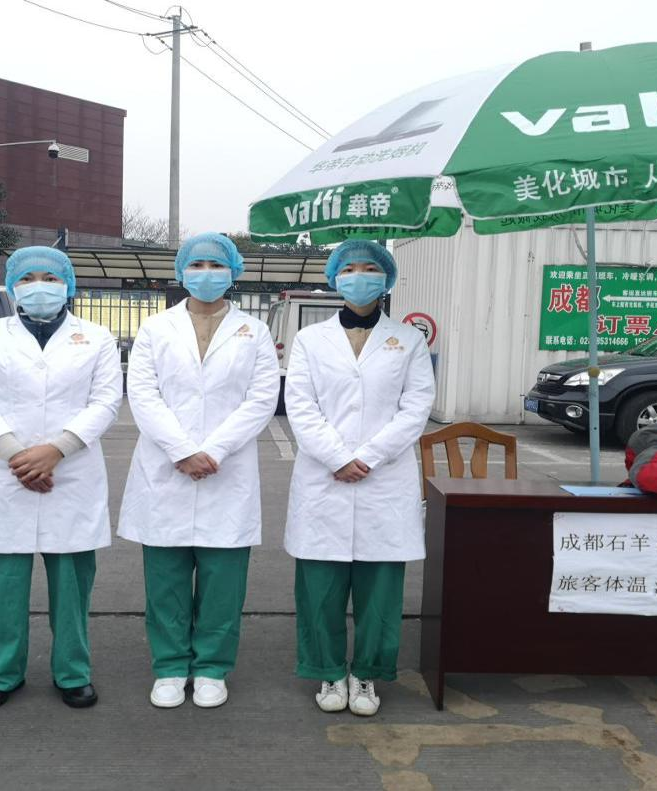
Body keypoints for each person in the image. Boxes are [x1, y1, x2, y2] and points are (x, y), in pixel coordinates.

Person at [0, 246, 122, 712]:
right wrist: (17, 455)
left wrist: (56, 450)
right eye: (28, 278)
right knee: (3, 585)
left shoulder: (96, 337)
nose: (39, 286)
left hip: (71, 470)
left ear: (68, 284)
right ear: (13, 286)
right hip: (4, 470)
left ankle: (73, 672)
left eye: (50, 277)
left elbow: (106, 401)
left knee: (72, 586)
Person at [118, 232, 279, 709]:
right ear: (181, 271)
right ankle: (169, 666)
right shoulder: (155, 328)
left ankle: (211, 666)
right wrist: (181, 450)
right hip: (166, 468)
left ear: (233, 272)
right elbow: (142, 394)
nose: (206, 273)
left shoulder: (254, 331)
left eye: (216, 264)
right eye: (197, 264)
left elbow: (261, 399)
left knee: (223, 581)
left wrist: (215, 450)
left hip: (227, 469)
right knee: (165, 578)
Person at [282, 240, 435, 717]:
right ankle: (328, 670)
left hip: (383, 479)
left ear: (386, 278)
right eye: (349, 268)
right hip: (323, 478)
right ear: (335, 277)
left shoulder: (408, 340)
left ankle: (366, 673)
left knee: (380, 589)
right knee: (320, 588)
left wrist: (367, 457)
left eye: (370, 268)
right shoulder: (310, 340)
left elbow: (416, 407)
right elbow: (300, 405)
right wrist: (335, 457)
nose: (360, 276)